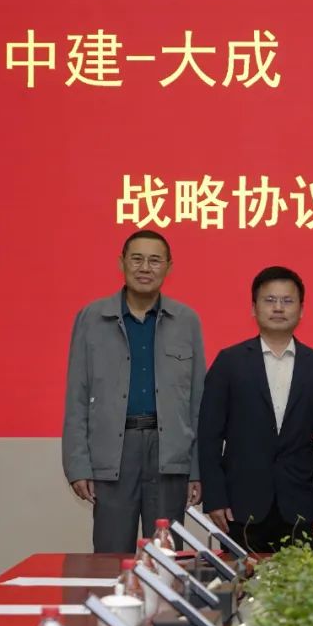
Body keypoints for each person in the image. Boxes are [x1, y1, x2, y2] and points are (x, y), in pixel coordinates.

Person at [62, 230, 204, 553]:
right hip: (114, 453)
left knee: (167, 557)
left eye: (155, 260)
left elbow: (198, 402)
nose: (145, 268)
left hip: (170, 455)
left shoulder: (186, 321)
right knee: (110, 556)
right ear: (121, 263)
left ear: (168, 267)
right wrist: (78, 465)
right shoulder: (92, 318)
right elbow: (77, 398)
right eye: (137, 259)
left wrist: (197, 469)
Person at [198, 266, 313, 552]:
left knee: (300, 581)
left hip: (299, 506)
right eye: (270, 300)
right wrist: (214, 497)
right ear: (254, 308)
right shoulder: (229, 362)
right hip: (240, 507)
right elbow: (208, 436)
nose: (278, 308)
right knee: (240, 578)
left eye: (287, 301)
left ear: (301, 310)